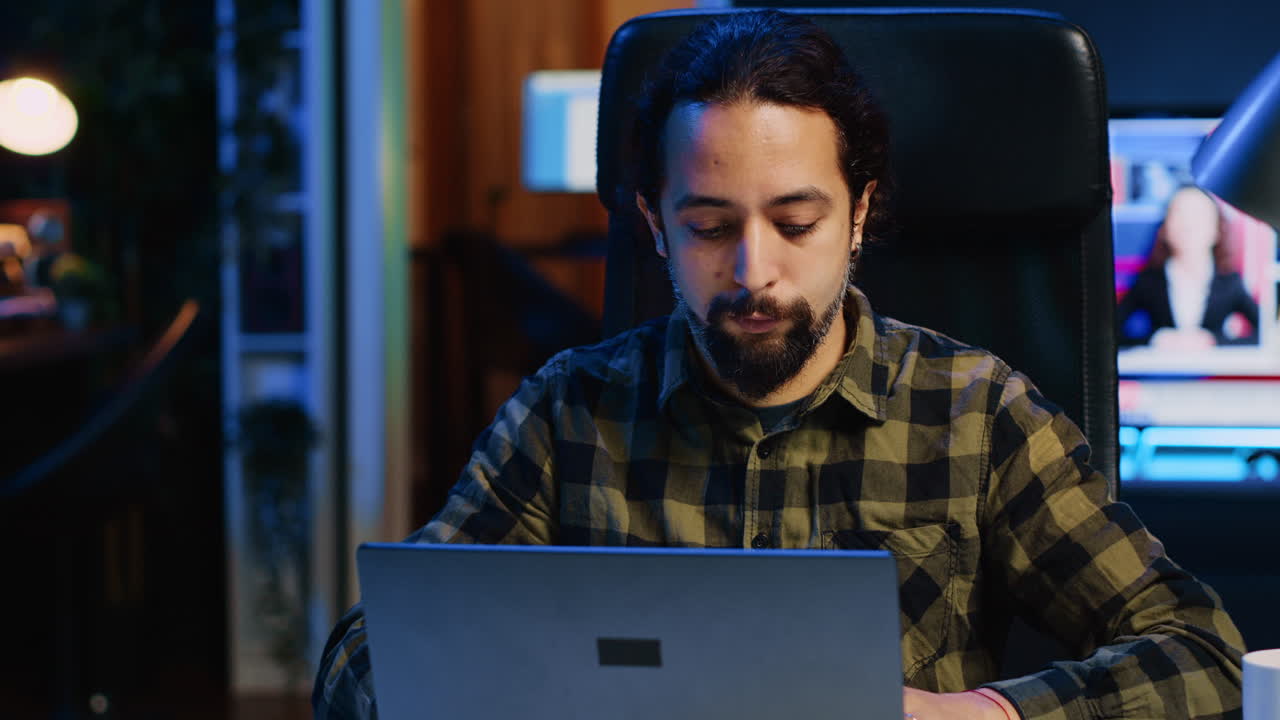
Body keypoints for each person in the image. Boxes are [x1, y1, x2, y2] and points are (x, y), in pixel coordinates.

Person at [315, 11, 1244, 720]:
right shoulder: (571, 410)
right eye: (709, 228)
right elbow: (364, 658)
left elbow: (1201, 655)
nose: (754, 272)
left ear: (858, 215)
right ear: (654, 228)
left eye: (795, 224)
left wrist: (991, 713)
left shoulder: (974, 412)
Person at [1117, 185, 1261, 348]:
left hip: (1212, 371)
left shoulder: (1229, 281)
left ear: (1217, 229)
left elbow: (1265, 334)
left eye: (1198, 216)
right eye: (1180, 215)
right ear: (1165, 228)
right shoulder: (1149, 280)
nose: (1188, 225)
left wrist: (1214, 341)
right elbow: (1111, 333)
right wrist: (1155, 339)